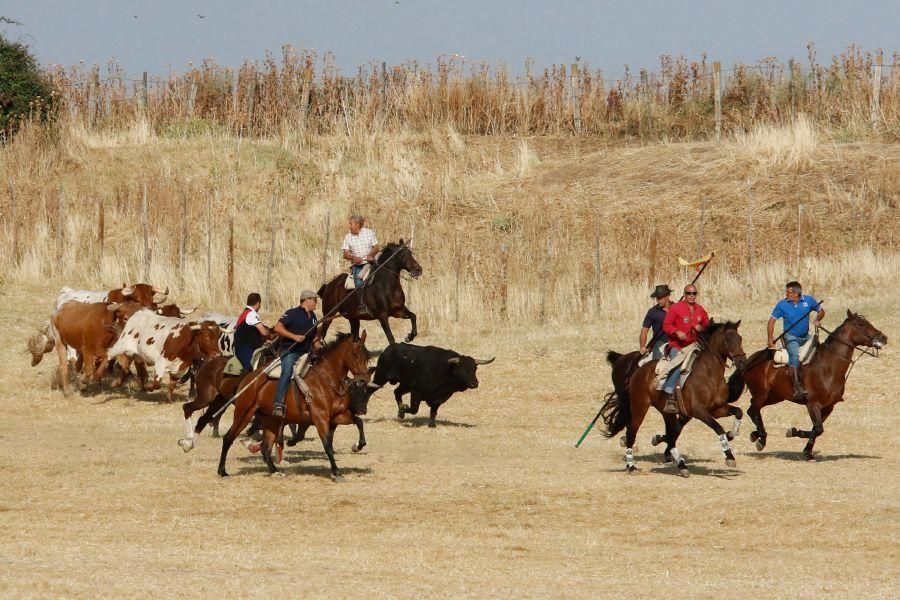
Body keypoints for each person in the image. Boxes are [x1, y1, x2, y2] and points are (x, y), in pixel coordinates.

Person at [767, 281, 825, 400]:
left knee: (819, 350)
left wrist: (817, 319)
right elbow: (771, 321)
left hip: (806, 336)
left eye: (789, 293)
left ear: (796, 294)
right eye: (786, 292)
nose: (786, 295)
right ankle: (797, 388)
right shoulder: (782, 305)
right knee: (794, 355)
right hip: (791, 336)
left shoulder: (809, 301)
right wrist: (770, 338)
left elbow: (821, 311)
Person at [661, 284, 709, 414]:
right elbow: (666, 325)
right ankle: (669, 394)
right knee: (678, 364)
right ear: (685, 294)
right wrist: (676, 332)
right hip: (678, 346)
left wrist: (702, 328)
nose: (691, 296)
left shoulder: (700, 310)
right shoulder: (676, 308)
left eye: (694, 293)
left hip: (695, 346)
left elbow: (707, 325)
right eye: (689, 293)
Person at [271, 290, 319, 418]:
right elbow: (278, 328)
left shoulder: (314, 317)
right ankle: (278, 404)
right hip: (291, 352)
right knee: (286, 372)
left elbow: (314, 337)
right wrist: (294, 337)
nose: (316, 303)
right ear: (307, 300)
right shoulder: (292, 313)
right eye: (315, 300)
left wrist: (319, 345)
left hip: (307, 353)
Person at [341, 215, 379, 312]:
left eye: (351, 224)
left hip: (370, 263)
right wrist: (354, 257)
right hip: (357, 266)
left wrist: (371, 255)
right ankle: (361, 306)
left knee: (383, 276)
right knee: (358, 280)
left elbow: (376, 248)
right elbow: (345, 254)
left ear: (357, 225)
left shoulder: (369, 233)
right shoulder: (348, 237)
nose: (349, 226)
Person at [232, 293, 271, 373]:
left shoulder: (245, 313)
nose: (260, 306)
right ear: (258, 303)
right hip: (246, 350)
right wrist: (268, 334)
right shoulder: (251, 314)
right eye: (260, 304)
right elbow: (263, 332)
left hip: (241, 348)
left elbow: (250, 333)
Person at [640, 284, 673, 360]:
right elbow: (644, 330)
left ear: (668, 296)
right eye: (657, 298)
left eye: (660, 298)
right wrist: (642, 346)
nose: (658, 300)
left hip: (676, 341)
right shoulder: (652, 312)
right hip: (660, 342)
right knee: (656, 364)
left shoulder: (676, 308)